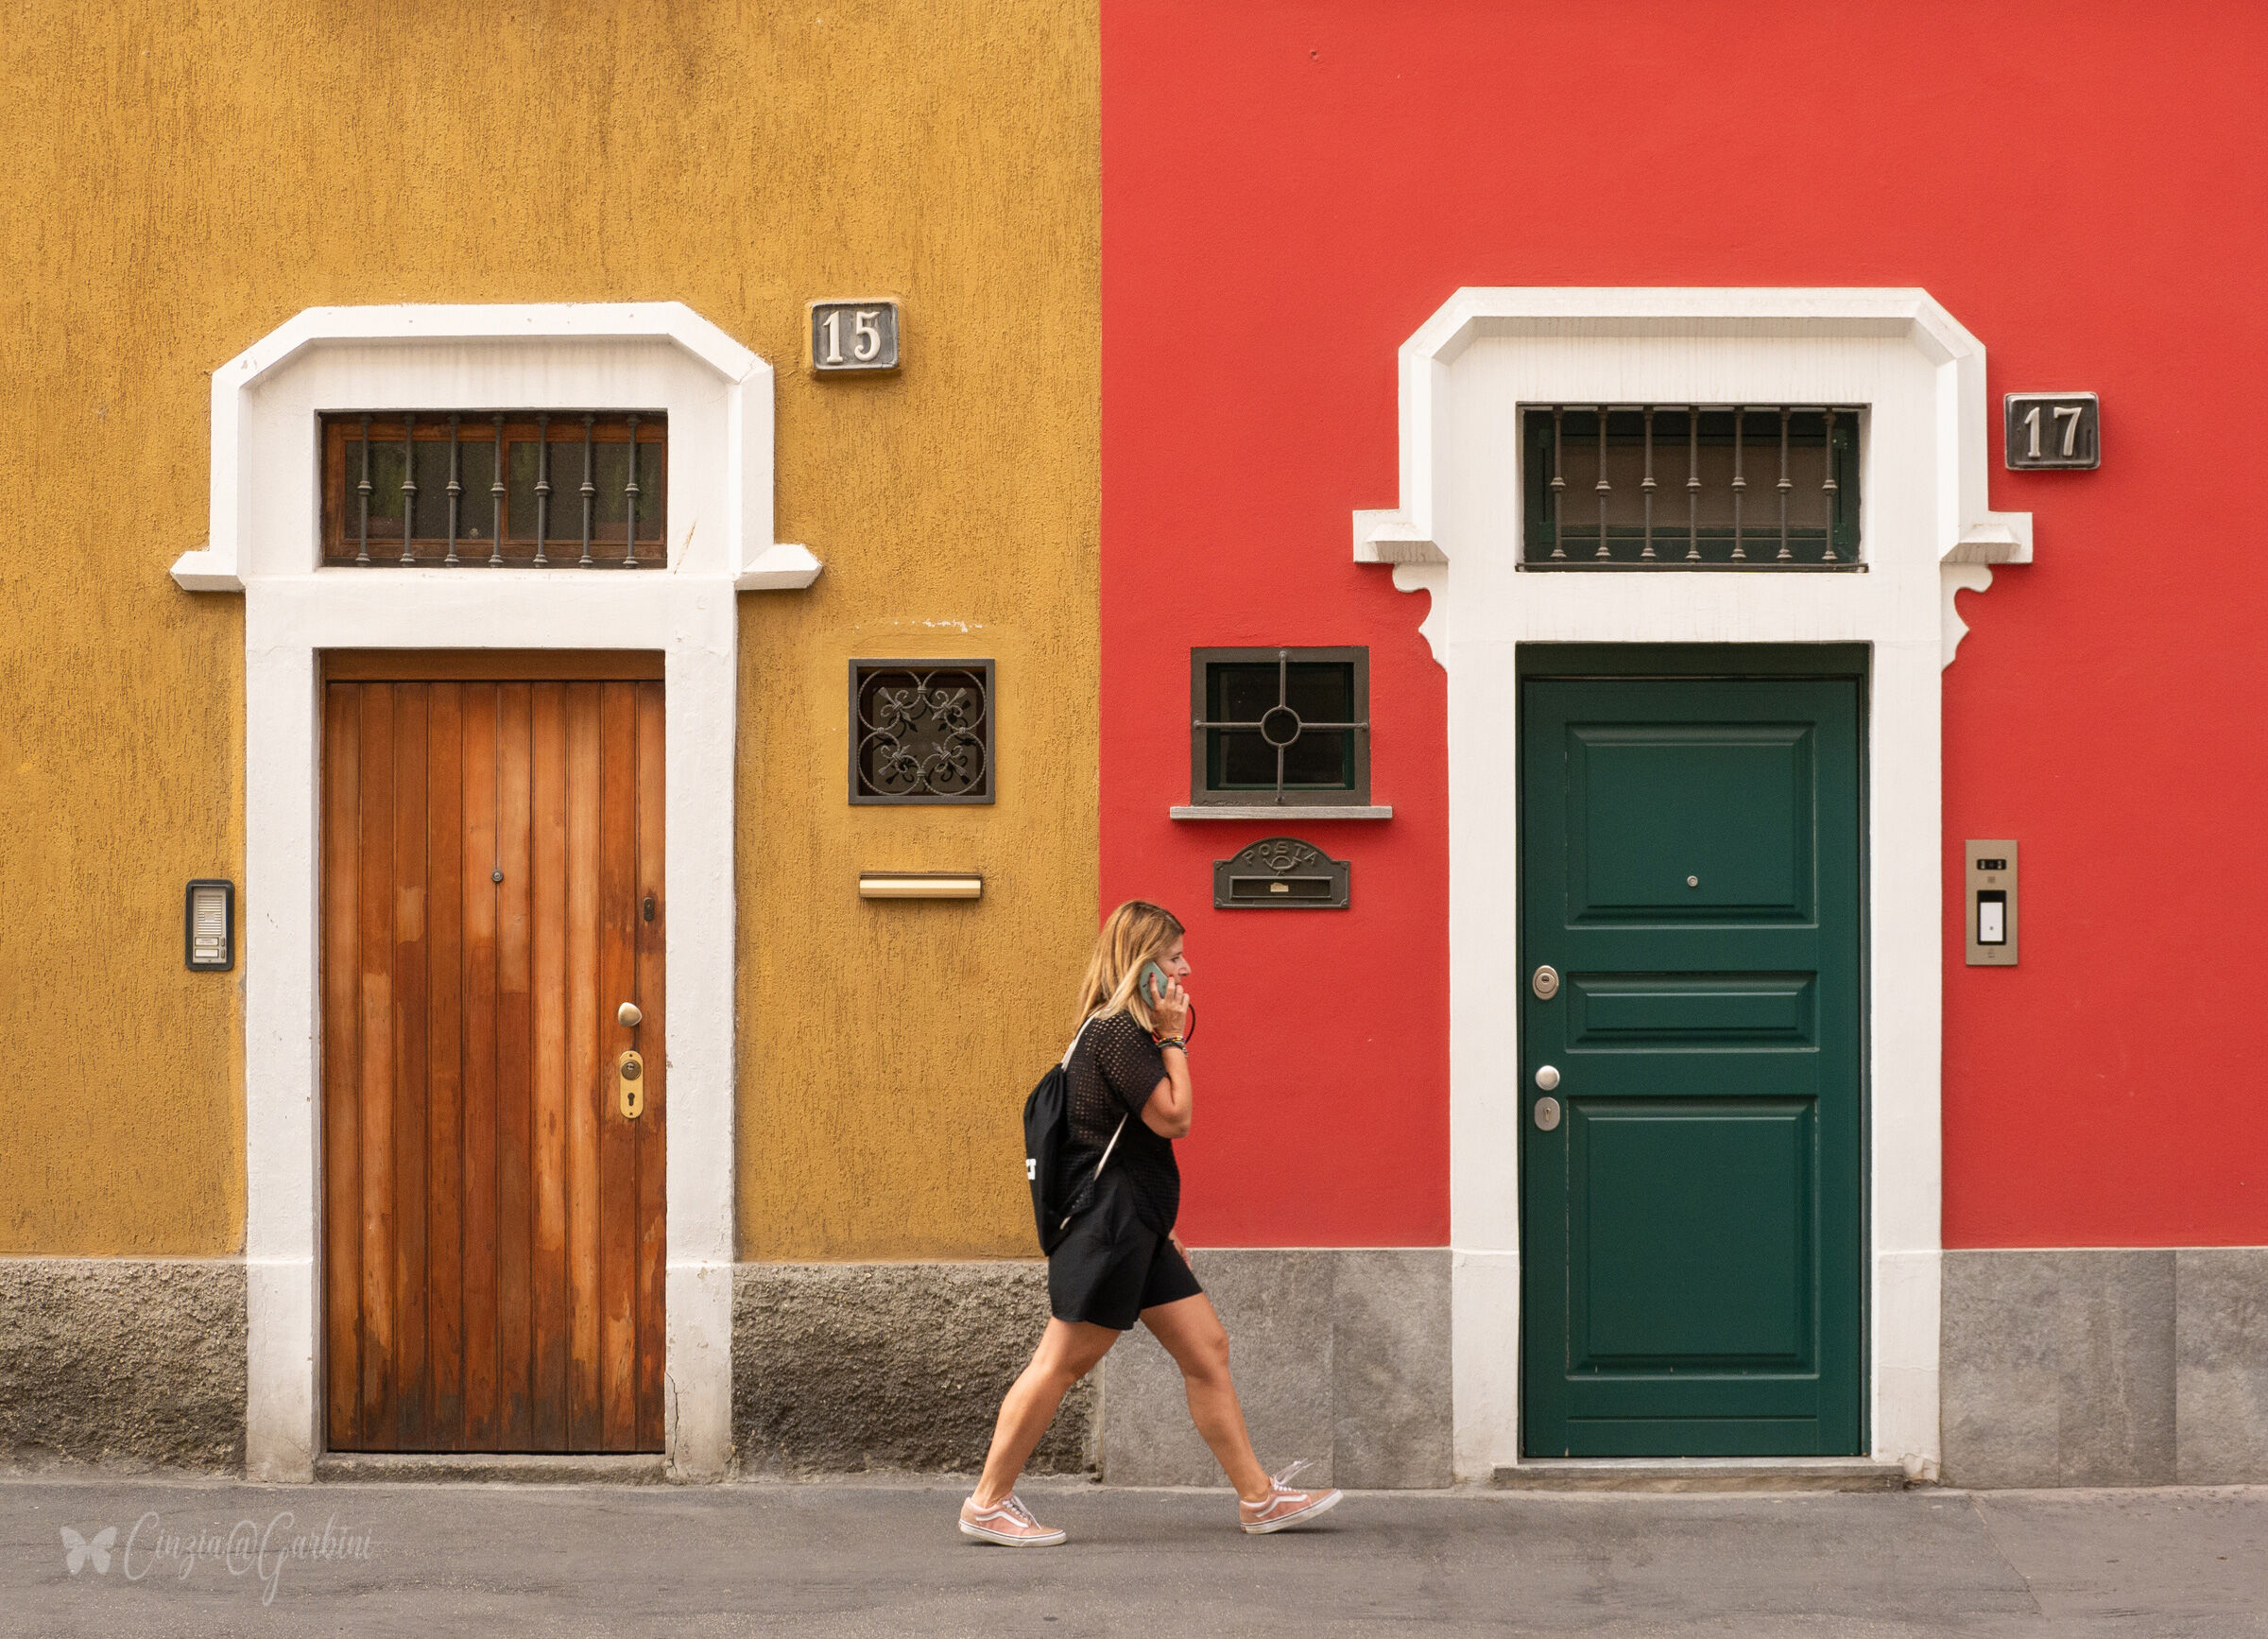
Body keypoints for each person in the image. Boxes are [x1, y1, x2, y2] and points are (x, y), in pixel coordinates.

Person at [958, 899, 1342, 1545]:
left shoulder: (1118, 1036)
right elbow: (1173, 1118)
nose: (1186, 967)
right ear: (1141, 968)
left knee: (1207, 1349)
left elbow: (1128, 1146)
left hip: (1138, 1229)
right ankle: (988, 1502)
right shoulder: (1118, 1034)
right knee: (1059, 1363)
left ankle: (1259, 1498)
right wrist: (1171, 1039)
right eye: (1172, 958)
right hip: (1109, 1233)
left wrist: (1160, 1229)